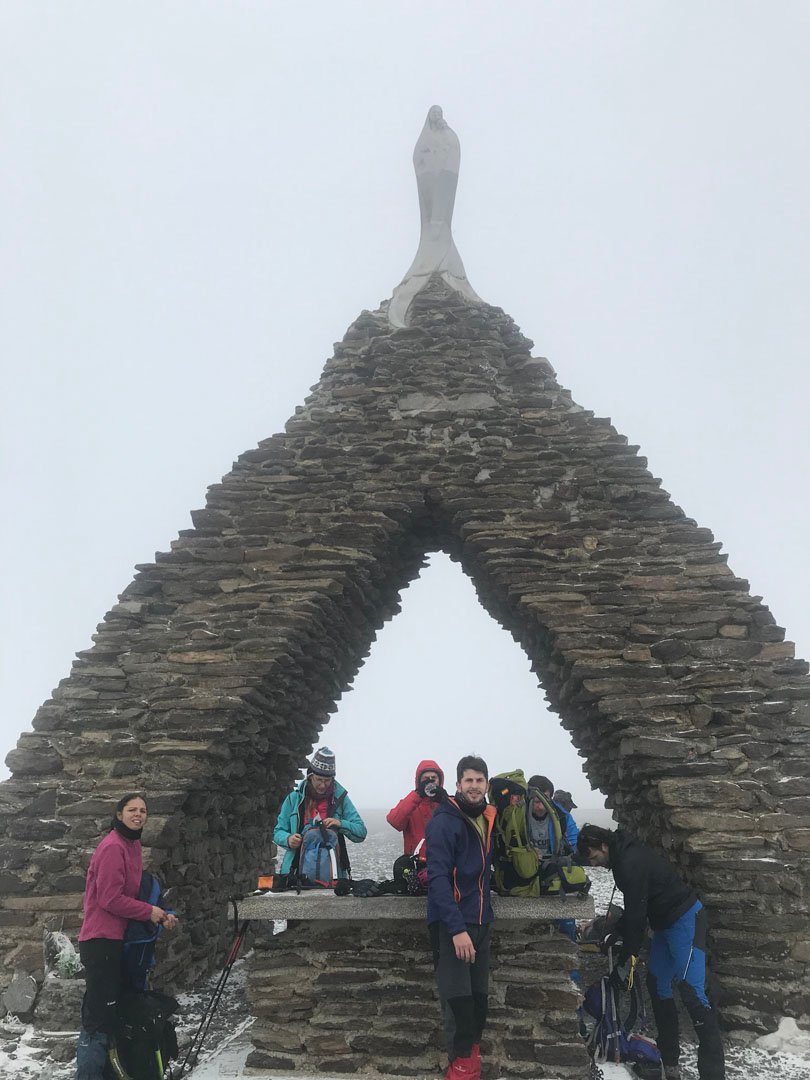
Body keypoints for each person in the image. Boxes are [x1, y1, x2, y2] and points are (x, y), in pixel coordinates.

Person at [576, 824, 725, 1080]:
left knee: (692, 993)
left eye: (594, 857)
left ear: (603, 845)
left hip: (685, 919)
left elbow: (636, 914)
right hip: (664, 924)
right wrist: (614, 930)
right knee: (657, 985)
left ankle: (713, 1074)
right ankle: (670, 1062)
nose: (596, 863)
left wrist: (626, 960)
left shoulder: (629, 862)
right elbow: (636, 906)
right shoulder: (623, 856)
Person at [76, 793, 178, 1080]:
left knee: (114, 1015)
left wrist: (161, 912)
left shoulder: (132, 845)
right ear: (119, 814)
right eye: (132, 809)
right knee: (97, 1020)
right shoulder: (113, 847)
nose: (139, 814)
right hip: (100, 941)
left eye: (143, 810)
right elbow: (109, 898)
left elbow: (137, 894)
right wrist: (149, 912)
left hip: (116, 941)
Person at [425, 754, 496, 1080]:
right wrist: (456, 930)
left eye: (479, 780)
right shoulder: (444, 821)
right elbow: (437, 880)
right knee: (460, 1016)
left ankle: (470, 1071)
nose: (474, 786)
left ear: (487, 785)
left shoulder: (488, 818)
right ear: (457, 785)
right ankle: (460, 1072)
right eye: (468, 780)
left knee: (479, 1010)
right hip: (454, 929)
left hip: (481, 925)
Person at [273, 746, 367, 879]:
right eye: (319, 780)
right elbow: (278, 832)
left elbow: (361, 832)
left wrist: (340, 823)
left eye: (327, 780)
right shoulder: (293, 799)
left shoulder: (341, 799)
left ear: (332, 779)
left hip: (334, 877)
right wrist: (288, 839)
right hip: (295, 875)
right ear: (310, 777)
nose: (323, 785)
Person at [386, 759, 446, 855]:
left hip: (444, 863)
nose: (430, 782)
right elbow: (394, 821)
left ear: (440, 781)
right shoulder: (410, 804)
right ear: (419, 781)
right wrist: (417, 794)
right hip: (416, 864)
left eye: (433, 778)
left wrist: (446, 802)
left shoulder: (447, 804)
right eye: (426, 779)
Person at [527, 775, 578, 849]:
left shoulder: (563, 817)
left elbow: (574, 843)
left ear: (551, 798)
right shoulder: (519, 816)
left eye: (545, 800)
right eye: (537, 801)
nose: (541, 807)